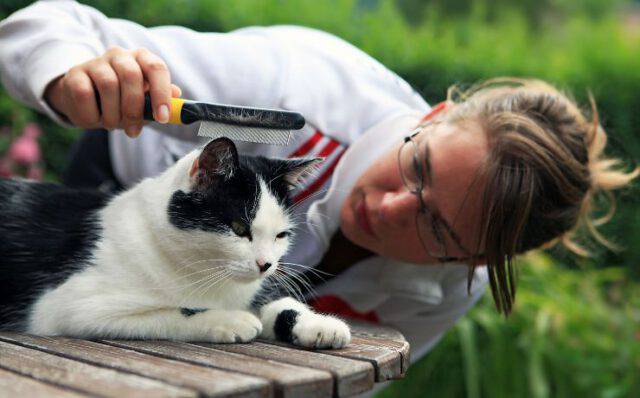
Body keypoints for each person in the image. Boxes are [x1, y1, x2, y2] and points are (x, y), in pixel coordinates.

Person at [0, 0, 636, 386]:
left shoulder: (447, 294)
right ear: (434, 115)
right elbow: (45, 26)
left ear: (473, 263)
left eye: (438, 230)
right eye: (418, 167)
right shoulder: (291, 89)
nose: (387, 208)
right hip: (109, 211)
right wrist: (70, 76)